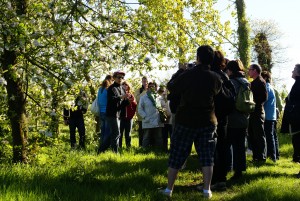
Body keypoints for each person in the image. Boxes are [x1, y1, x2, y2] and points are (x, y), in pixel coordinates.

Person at [160, 45, 221, 199]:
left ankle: (169, 190)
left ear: (198, 57)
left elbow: (172, 87)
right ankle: (207, 190)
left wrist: (181, 72)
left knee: (177, 155)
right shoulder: (215, 77)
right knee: (207, 156)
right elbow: (218, 92)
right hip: (208, 120)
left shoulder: (188, 74)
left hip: (186, 120)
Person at [209, 50, 235, 190]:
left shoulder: (211, 76)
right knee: (223, 147)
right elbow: (232, 98)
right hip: (224, 117)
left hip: (212, 116)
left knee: (212, 149)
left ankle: (213, 180)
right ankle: (222, 179)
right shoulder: (225, 76)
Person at [226, 60, 250, 179]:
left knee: (227, 145)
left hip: (232, 118)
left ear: (230, 70)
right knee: (240, 146)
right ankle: (239, 171)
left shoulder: (231, 83)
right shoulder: (246, 82)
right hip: (244, 117)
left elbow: (228, 101)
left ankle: (227, 168)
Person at [105, 70, 130, 153]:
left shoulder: (122, 88)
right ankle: (115, 153)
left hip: (118, 114)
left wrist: (128, 100)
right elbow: (111, 100)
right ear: (114, 77)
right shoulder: (111, 88)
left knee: (114, 134)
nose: (121, 79)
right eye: (119, 77)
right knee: (116, 133)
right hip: (111, 114)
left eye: (122, 77)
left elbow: (121, 104)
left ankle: (101, 149)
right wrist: (121, 97)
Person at [281, 64, 300, 170]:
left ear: (297, 72)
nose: (292, 72)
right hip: (296, 117)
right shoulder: (297, 83)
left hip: (297, 118)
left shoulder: (298, 84)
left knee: (298, 142)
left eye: (294, 70)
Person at [247, 64, 268, 163]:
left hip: (257, 112)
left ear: (255, 70)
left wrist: (253, 101)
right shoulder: (254, 82)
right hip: (253, 112)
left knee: (259, 135)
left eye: (250, 70)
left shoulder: (260, 81)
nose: (248, 71)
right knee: (252, 135)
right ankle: (256, 157)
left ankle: (261, 157)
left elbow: (264, 97)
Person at [138, 82, 164, 148]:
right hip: (148, 120)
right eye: (150, 87)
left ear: (156, 88)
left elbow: (163, 106)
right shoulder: (143, 97)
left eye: (153, 86)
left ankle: (159, 151)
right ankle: (144, 151)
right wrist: (145, 117)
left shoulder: (159, 97)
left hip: (157, 120)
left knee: (159, 137)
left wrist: (163, 113)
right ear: (148, 88)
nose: (152, 88)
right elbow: (140, 109)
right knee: (146, 137)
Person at [261, 71, 278, 162]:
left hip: (267, 116)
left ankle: (272, 157)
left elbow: (264, 100)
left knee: (269, 137)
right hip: (272, 116)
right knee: (272, 136)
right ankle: (275, 155)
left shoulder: (266, 87)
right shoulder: (271, 87)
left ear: (265, 78)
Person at [97, 75, 113, 154]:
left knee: (103, 132)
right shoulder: (108, 90)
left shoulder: (100, 89)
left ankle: (101, 147)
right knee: (107, 131)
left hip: (101, 112)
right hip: (107, 112)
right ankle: (103, 149)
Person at [119, 81, 137, 148]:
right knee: (120, 133)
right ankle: (119, 147)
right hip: (121, 117)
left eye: (126, 84)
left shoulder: (131, 95)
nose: (124, 85)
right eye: (123, 84)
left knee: (128, 134)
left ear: (128, 87)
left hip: (129, 118)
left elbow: (135, 106)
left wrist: (131, 115)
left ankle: (128, 147)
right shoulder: (119, 95)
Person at [134, 76, 148, 147]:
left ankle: (149, 145)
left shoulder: (151, 90)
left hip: (150, 114)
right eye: (143, 81)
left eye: (146, 81)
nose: (145, 82)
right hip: (141, 115)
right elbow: (137, 99)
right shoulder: (139, 90)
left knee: (148, 131)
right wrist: (144, 91)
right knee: (141, 131)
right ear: (142, 82)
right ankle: (141, 145)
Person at [158, 86, 172, 152]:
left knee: (172, 135)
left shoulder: (170, 98)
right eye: (163, 92)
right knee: (164, 136)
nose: (164, 93)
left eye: (166, 91)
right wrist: (165, 115)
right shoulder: (159, 99)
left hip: (171, 120)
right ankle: (164, 149)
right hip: (164, 120)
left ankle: (172, 149)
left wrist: (169, 115)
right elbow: (160, 109)